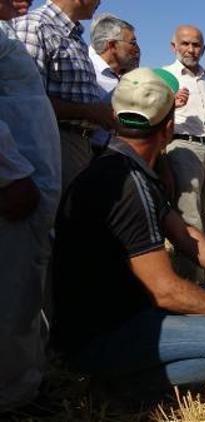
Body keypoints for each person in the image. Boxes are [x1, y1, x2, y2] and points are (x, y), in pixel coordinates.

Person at [51, 68, 205, 399]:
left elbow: (186, 236)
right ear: (169, 128)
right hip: (102, 333)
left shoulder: (129, 165)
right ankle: (118, 388)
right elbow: (165, 291)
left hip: (125, 306)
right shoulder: (128, 185)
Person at [0, 0, 61, 409]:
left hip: (28, 181)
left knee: (25, 287)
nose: (25, 2)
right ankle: (14, 394)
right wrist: (9, 172)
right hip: (15, 186)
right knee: (13, 291)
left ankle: (27, 379)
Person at [12, 0, 116, 192]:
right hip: (53, 144)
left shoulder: (75, 37)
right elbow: (25, 102)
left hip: (80, 146)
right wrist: (90, 112)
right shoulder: (35, 26)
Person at [163, 25, 205, 284]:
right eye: (186, 44)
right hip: (183, 148)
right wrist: (170, 104)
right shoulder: (165, 77)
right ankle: (192, 282)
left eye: (196, 45)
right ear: (174, 46)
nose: (191, 49)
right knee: (190, 217)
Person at [88, 13, 140, 153]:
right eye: (132, 43)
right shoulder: (87, 71)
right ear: (112, 45)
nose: (136, 49)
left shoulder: (123, 78)